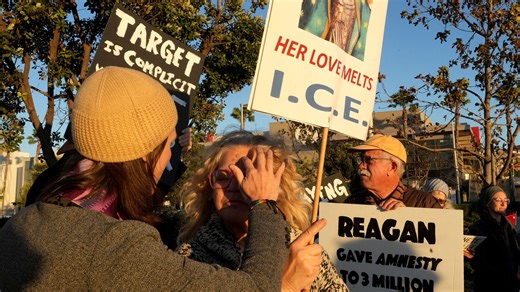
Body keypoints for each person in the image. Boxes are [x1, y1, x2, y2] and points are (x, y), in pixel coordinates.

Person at [0, 66, 326, 290]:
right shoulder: (116, 247)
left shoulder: (26, 222)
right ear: (145, 153)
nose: (173, 156)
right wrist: (264, 203)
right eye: (169, 144)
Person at [176, 130, 348, 291]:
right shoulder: (190, 256)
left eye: (249, 177)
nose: (235, 186)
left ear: (276, 186)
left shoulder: (302, 251)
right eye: (222, 177)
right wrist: (286, 286)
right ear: (209, 187)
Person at [343, 134, 441, 210]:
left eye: (369, 160)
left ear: (392, 167)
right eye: (361, 159)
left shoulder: (425, 203)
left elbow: (445, 234)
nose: (361, 166)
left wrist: (409, 218)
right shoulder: (352, 203)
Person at [465, 185, 520, 292]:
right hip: (490, 285)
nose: (503, 204)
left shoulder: (509, 225)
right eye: (498, 200)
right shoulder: (479, 228)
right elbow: (476, 261)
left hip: (512, 284)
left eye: (505, 200)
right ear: (488, 203)